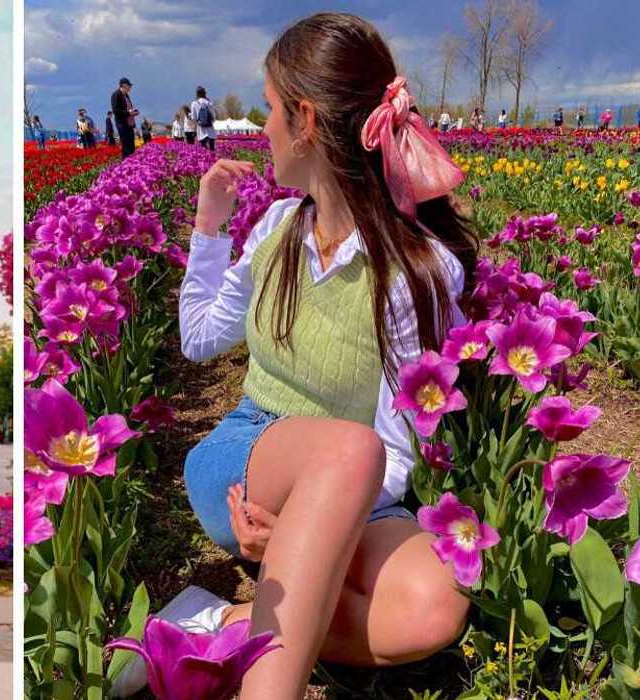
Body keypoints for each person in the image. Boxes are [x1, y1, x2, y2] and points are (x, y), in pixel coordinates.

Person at [172, 12, 476, 699]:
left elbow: (396, 446)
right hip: (246, 456)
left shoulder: (414, 270)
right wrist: (208, 228)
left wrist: (310, 527)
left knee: (432, 606)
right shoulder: (278, 228)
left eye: (272, 108)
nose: (263, 126)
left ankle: (216, 623)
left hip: (361, 488)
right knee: (347, 449)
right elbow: (198, 340)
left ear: (305, 119)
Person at [111, 77, 140, 158]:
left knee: (131, 145)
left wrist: (133, 112)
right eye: (129, 85)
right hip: (122, 124)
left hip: (129, 123)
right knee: (126, 145)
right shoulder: (116, 94)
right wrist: (128, 112)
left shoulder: (126, 95)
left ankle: (132, 162)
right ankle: (126, 163)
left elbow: (129, 108)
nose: (130, 87)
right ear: (123, 85)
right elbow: (115, 110)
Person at [192, 86, 216, 152]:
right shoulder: (208, 102)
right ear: (204, 93)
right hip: (209, 128)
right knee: (212, 147)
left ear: (197, 94)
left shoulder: (194, 103)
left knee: (203, 148)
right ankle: (213, 159)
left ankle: (206, 160)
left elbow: (193, 118)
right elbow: (214, 115)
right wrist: (211, 120)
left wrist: (198, 122)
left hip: (201, 128)